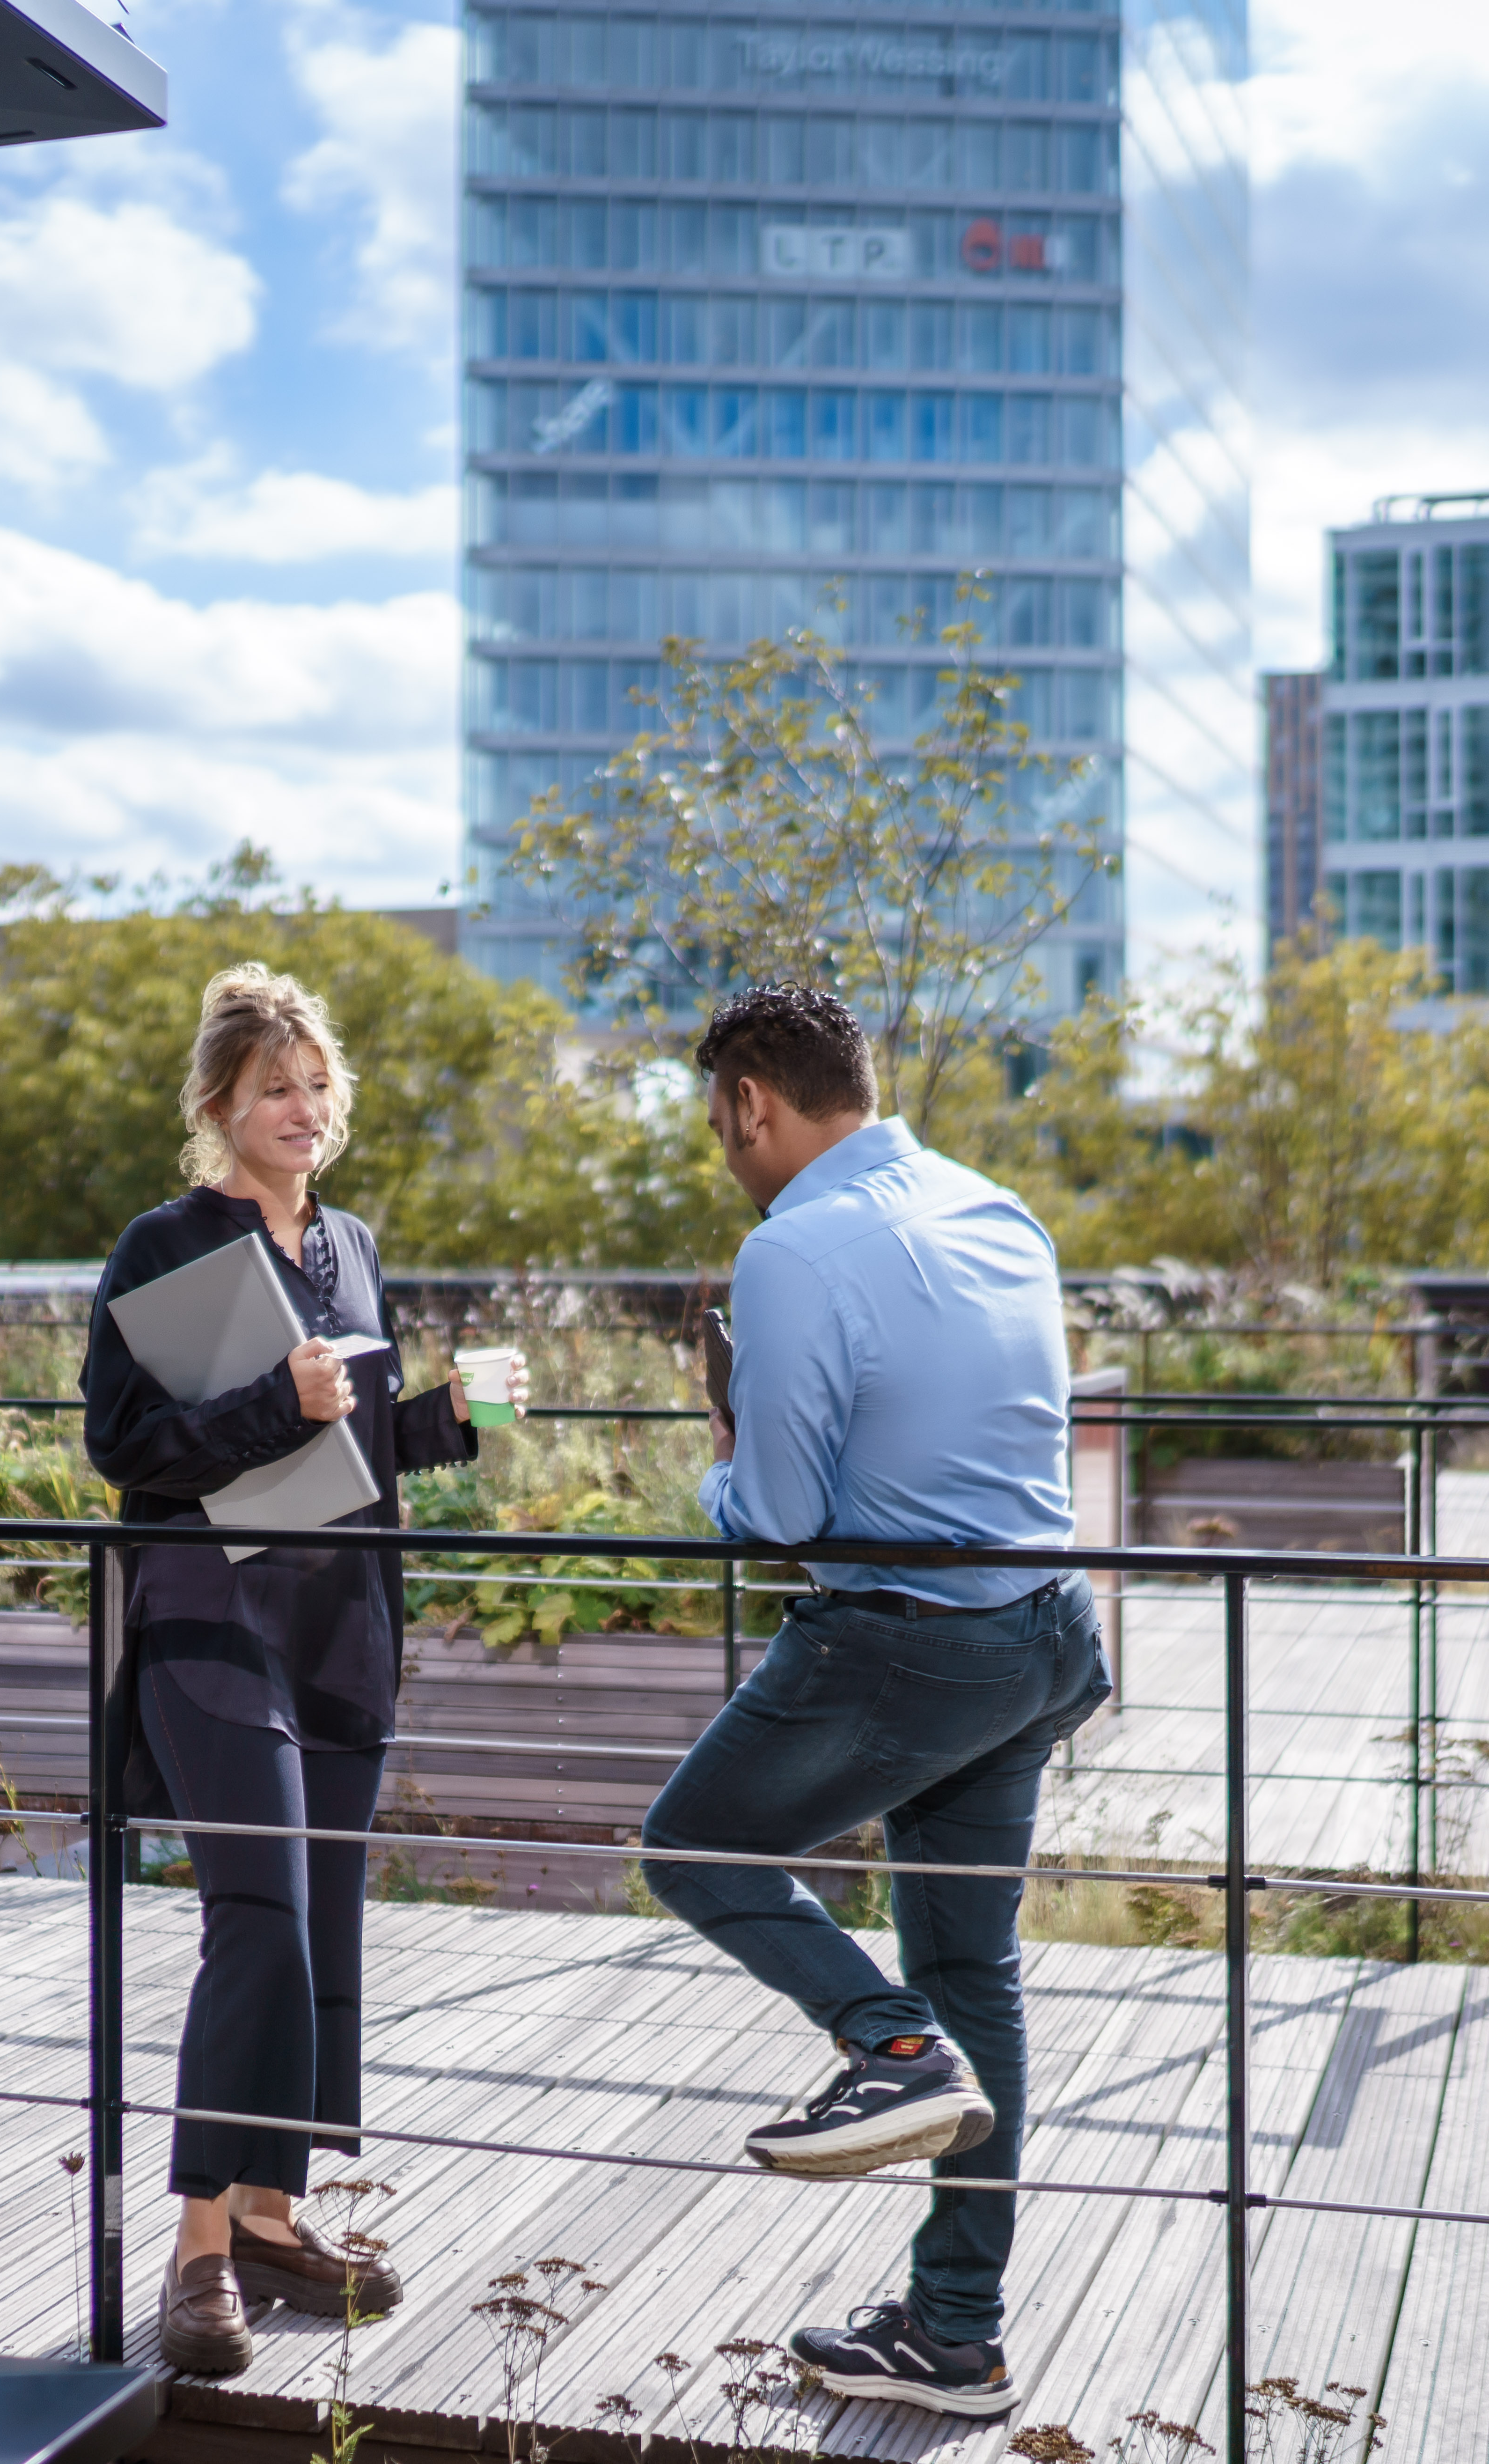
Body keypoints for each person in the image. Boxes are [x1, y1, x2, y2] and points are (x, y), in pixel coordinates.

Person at [638, 983, 1107, 2420]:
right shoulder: (994, 1207)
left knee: (696, 1848)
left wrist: (715, 1457)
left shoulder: (791, 1250)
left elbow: (775, 1507)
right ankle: (953, 2333)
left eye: (720, 1125)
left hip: (907, 1645)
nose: (725, 1152)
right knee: (978, 1975)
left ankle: (886, 2051)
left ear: (750, 1105)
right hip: (1043, 1634)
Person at [80, 963, 528, 2380]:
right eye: (276, 1084)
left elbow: (348, 1456)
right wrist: (279, 1400)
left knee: (323, 1922)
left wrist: (443, 1420)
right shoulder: (166, 1243)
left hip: (340, 1625)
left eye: (318, 1082)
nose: (304, 1107)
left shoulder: (354, 1245)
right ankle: (199, 2252)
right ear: (220, 1103)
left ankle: (275, 2218)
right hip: (212, 1624)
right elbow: (126, 1447)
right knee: (258, 1914)